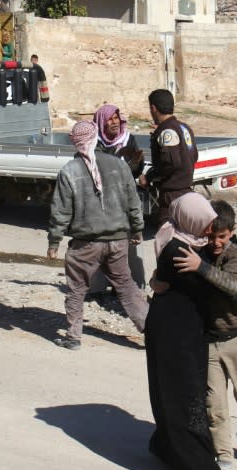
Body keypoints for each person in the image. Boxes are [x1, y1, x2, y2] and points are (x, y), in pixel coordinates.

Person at [144, 192, 230, 470]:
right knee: (183, 398)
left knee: (179, 393)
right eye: (205, 223)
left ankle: (165, 445)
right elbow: (212, 288)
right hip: (174, 333)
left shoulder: (192, 242)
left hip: (185, 329)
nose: (210, 231)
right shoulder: (179, 250)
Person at [173, 200, 237, 470]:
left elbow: (234, 286)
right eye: (211, 236)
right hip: (209, 341)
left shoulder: (236, 254)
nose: (215, 243)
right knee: (215, 406)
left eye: (221, 237)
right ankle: (223, 454)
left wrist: (201, 268)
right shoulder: (197, 252)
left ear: (232, 233)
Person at [46, 120, 148, 350]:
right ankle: (151, 331)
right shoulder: (118, 165)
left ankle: (73, 336)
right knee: (126, 287)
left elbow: (60, 211)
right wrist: (137, 229)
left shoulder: (69, 171)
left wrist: (54, 242)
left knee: (76, 289)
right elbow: (133, 201)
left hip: (86, 245)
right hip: (118, 241)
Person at [88, 104, 146, 292]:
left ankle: (130, 287)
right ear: (101, 123)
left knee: (127, 246)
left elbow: (135, 172)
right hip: (102, 201)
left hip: (124, 201)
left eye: (116, 118)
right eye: (109, 120)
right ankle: (97, 288)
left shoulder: (128, 140)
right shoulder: (93, 143)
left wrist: (136, 164)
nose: (114, 123)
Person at [138, 89, 199, 226]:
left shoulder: (167, 131)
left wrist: (148, 177)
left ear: (153, 108)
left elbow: (169, 163)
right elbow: (193, 155)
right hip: (187, 190)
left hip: (172, 195)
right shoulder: (184, 127)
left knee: (167, 238)